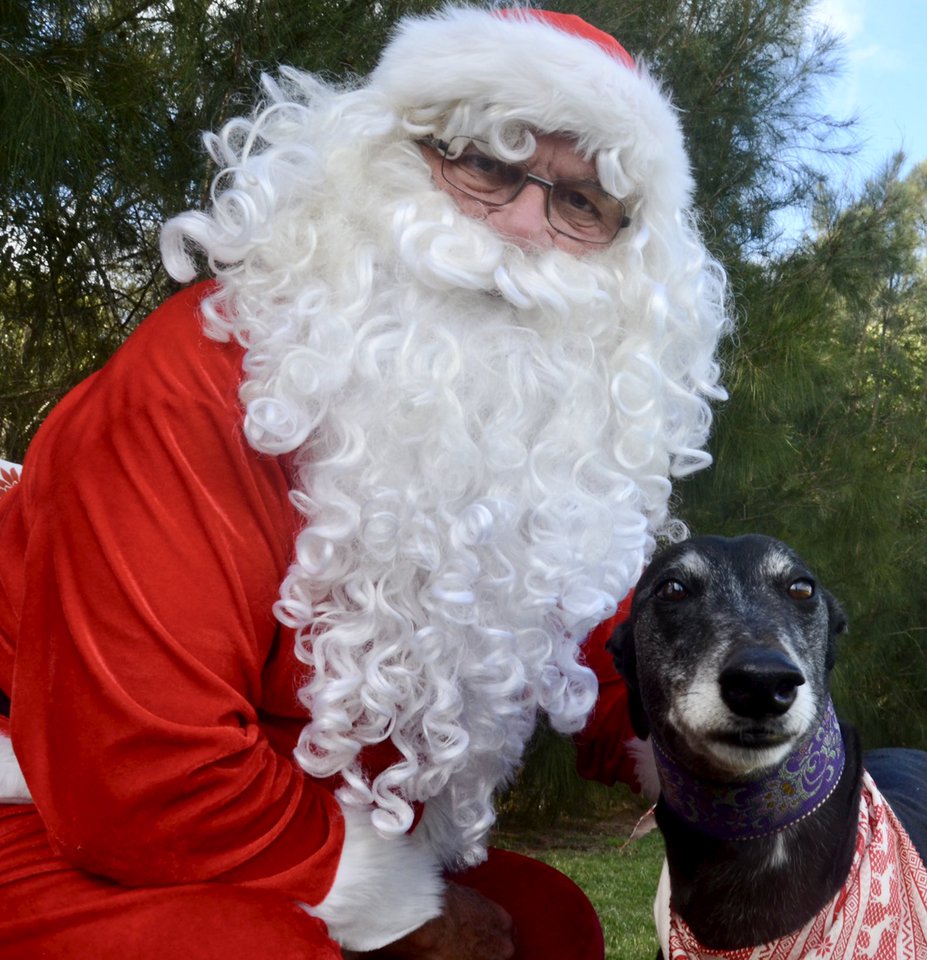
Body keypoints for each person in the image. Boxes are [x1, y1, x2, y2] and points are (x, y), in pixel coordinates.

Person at [0, 5, 730, 958]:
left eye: (580, 205)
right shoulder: (195, 382)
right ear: (385, 156)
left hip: (301, 823)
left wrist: (732, 740)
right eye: (485, 165)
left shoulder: (542, 432)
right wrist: (397, 909)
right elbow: (138, 769)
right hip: (56, 808)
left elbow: (602, 656)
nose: (521, 228)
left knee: (552, 924)